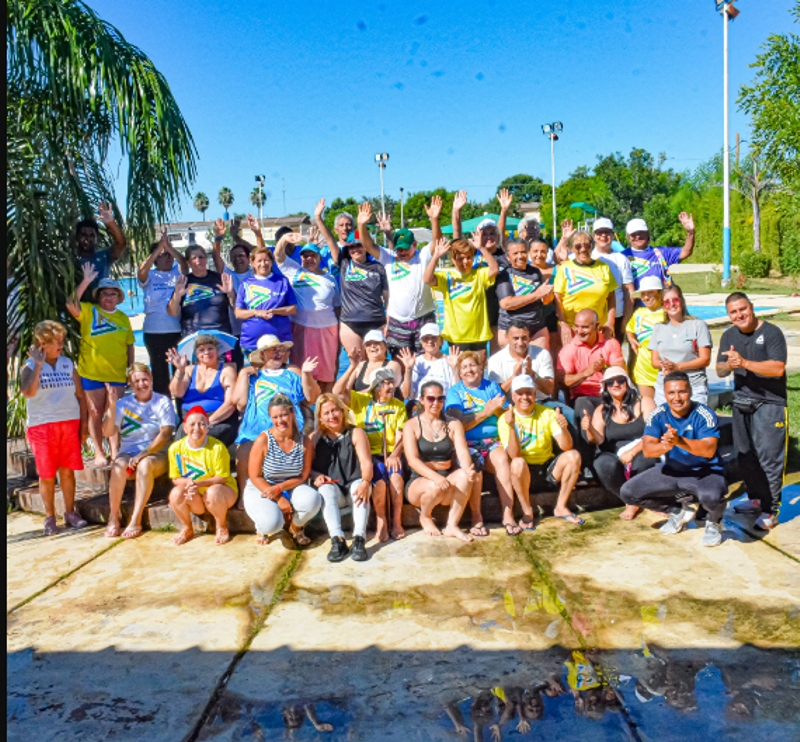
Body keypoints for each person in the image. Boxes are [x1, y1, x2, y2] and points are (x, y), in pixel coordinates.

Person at [621, 371, 728, 547]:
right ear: (665, 394)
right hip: (672, 471)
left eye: (682, 392)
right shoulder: (658, 414)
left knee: (711, 496)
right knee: (628, 492)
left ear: (690, 392)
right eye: (671, 393)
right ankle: (677, 511)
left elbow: (709, 450)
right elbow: (648, 450)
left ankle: (715, 521)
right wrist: (666, 445)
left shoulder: (704, 414)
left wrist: (679, 441)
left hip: (704, 472)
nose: (676, 398)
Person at [716, 292, 788, 530]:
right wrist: (729, 364)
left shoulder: (772, 333)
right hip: (741, 403)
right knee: (746, 456)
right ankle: (756, 499)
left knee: (769, 457)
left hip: (770, 404)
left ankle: (771, 509)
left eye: (742, 309)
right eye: (733, 312)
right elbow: (719, 370)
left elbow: (777, 368)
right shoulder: (729, 335)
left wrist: (744, 363)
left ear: (752, 307)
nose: (739, 315)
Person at [19, 320, 89, 536]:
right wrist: (38, 364)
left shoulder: (68, 364)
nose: (61, 345)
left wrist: (84, 425)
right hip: (42, 426)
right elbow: (28, 392)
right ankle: (50, 517)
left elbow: (80, 396)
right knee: (47, 474)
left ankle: (70, 512)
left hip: (69, 423)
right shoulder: (28, 366)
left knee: (67, 471)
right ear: (43, 343)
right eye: (56, 341)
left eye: (62, 341)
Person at [66, 263, 134, 466]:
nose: (108, 297)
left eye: (113, 294)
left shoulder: (123, 318)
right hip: (92, 373)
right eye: (105, 294)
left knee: (114, 414)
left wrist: (130, 369)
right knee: (95, 413)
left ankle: (115, 450)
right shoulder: (89, 311)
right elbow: (70, 303)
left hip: (116, 374)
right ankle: (98, 451)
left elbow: (129, 345)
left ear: (118, 297)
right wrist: (86, 280)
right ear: (98, 296)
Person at [234, 334, 320, 490]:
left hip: (287, 427)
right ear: (262, 354)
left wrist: (306, 374)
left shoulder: (291, 374)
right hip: (256, 428)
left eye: (281, 350)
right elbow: (240, 404)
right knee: (245, 447)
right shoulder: (254, 376)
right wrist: (243, 374)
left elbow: (312, 398)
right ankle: (244, 492)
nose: (278, 353)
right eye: (273, 350)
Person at [445, 351, 516, 537]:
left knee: (502, 459)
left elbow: (506, 413)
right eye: (465, 367)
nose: (469, 370)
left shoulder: (492, 387)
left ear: (481, 368)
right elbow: (459, 422)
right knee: (474, 466)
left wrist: (500, 411)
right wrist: (486, 412)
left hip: (492, 440)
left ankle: (508, 514)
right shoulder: (455, 393)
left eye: (472, 365)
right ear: (459, 372)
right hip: (467, 443)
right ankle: (476, 517)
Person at [498, 375, 583, 525]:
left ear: (535, 394)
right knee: (517, 463)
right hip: (524, 471)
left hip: (547, 467)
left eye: (529, 392)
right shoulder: (505, 419)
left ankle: (561, 506)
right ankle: (527, 511)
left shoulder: (547, 413)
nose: (525, 397)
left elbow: (566, 447)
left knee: (573, 456)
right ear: (513, 396)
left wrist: (564, 429)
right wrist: (511, 427)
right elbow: (514, 455)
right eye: (520, 393)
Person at [335, 366, 407, 542]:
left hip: (390, 452)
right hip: (368, 453)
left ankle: (396, 521)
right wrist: (353, 366)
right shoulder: (361, 400)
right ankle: (381, 521)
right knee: (380, 484)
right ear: (376, 386)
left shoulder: (398, 406)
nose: (391, 387)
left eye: (392, 383)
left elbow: (401, 436)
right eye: (386, 383)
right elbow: (337, 392)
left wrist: (395, 454)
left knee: (396, 479)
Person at [103, 364, 175, 539]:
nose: (141, 384)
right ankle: (114, 516)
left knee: (145, 465)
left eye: (145, 379)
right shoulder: (123, 404)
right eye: (136, 381)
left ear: (151, 379)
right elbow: (107, 432)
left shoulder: (161, 401)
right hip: (129, 454)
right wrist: (111, 407)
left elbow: (165, 433)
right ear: (130, 384)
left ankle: (135, 519)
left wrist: (144, 453)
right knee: (119, 465)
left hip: (156, 453)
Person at [357, 201, 437, 355]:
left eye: (406, 248)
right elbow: (368, 246)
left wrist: (434, 219)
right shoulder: (389, 258)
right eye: (399, 248)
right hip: (397, 322)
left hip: (423, 319)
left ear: (415, 244)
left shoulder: (423, 256)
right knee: (399, 363)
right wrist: (362, 225)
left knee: (427, 360)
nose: (402, 252)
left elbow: (437, 242)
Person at [403, 380, 478, 541]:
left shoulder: (453, 424)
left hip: (445, 479)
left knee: (465, 476)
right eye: (431, 399)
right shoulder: (411, 425)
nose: (436, 403)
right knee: (433, 485)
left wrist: (467, 470)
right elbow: (412, 460)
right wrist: (435, 477)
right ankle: (425, 516)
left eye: (440, 398)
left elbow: (462, 452)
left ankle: (452, 525)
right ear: (422, 400)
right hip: (420, 482)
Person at [242, 395, 322, 546]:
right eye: (275, 417)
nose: (280, 421)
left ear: (292, 414)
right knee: (271, 524)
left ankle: (296, 526)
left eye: (284, 415)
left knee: (313, 499)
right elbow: (254, 476)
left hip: (291, 486)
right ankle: (262, 527)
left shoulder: (305, 441)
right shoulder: (263, 440)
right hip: (263, 487)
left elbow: (303, 475)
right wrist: (279, 498)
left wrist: (280, 488)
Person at [314, 198, 389, 355]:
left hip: (374, 319)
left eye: (359, 245)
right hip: (349, 319)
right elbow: (329, 239)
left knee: (375, 363)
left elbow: (387, 297)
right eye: (352, 247)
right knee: (355, 364)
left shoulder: (377, 266)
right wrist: (318, 218)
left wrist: (388, 321)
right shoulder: (344, 262)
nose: (355, 249)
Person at [582, 367, 657, 520]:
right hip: (616, 456)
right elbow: (598, 440)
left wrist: (632, 452)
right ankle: (629, 500)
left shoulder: (645, 402)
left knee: (645, 459)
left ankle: (646, 499)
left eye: (620, 380)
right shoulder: (601, 410)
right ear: (605, 387)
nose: (615, 384)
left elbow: (654, 432)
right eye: (610, 382)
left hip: (642, 449)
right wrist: (588, 428)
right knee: (602, 463)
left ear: (628, 382)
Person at [311, 394, 373, 562]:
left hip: (355, 484)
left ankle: (359, 538)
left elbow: (366, 463)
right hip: (334, 490)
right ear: (320, 418)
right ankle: (337, 539)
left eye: (335, 410)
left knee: (360, 486)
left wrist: (367, 482)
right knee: (325, 489)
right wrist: (316, 476)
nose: (332, 416)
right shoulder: (315, 438)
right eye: (326, 413)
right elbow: (307, 469)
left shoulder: (355, 433)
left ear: (342, 410)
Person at [274, 235, 341, 393]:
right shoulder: (294, 271)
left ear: (319, 258)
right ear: (301, 258)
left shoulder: (330, 278)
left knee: (327, 376)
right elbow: (278, 255)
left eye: (313, 256)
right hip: (301, 330)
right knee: (301, 375)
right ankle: (306, 413)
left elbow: (337, 306)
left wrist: (339, 334)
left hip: (328, 330)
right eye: (305, 256)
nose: (309, 259)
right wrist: (284, 239)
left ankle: (325, 408)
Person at [168, 406, 238, 546]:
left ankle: (221, 526)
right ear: (185, 427)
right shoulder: (175, 448)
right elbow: (176, 478)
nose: (196, 428)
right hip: (195, 494)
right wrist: (189, 485)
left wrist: (197, 484)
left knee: (213, 492)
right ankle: (187, 528)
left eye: (201, 424)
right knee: (175, 494)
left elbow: (222, 478)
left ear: (208, 427)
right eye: (192, 424)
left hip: (221, 491)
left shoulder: (217, 447)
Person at [424, 236, 499, 364]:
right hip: (456, 336)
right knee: (460, 373)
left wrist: (481, 248)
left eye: (468, 257)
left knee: (478, 371)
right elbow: (427, 279)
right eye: (460, 259)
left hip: (479, 335)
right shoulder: (447, 277)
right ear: (453, 260)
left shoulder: (479, 274)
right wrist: (436, 256)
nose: (465, 262)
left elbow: (494, 269)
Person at [138, 230, 188, 395]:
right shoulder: (150, 275)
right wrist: (158, 248)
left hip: (176, 330)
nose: (167, 257)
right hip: (154, 331)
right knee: (160, 374)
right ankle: (164, 414)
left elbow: (184, 263)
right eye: (162, 255)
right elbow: (142, 271)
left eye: (169, 255)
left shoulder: (177, 272)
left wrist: (168, 247)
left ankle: (181, 414)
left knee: (180, 373)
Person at [167, 334, 239, 447]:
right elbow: (176, 392)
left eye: (210, 348)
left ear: (217, 350)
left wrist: (206, 422)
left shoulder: (226, 370)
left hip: (217, 419)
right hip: (190, 418)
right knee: (181, 443)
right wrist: (180, 371)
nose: (206, 352)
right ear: (196, 353)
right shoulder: (189, 370)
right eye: (201, 350)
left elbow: (231, 404)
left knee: (199, 437)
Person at [557, 308, 625, 427]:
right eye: (576, 326)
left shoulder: (610, 343)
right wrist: (586, 373)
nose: (579, 331)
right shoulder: (569, 349)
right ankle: (591, 443)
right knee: (584, 407)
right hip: (582, 397)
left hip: (609, 395)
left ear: (597, 326)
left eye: (585, 327)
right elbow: (563, 381)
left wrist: (604, 369)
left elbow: (622, 374)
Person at [650, 284, 712, 405]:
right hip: (665, 387)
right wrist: (666, 366)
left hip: (693, 386)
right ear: (663, 306)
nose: (672, 304)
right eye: (667, 302)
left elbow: (705, 359)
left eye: (675, 300)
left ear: (682, 301)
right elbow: (654, 361)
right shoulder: (658, 328)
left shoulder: (698, 325)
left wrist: (678, 367)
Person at [553, 232, 618, 347]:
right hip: (572, 327)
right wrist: (563, 324)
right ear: (572, 249)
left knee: (599, 361)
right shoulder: (565, 268)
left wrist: (610, 322)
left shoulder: (604, 267)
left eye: (587, 245)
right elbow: (557, 298)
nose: (583, 249)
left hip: (598, 327)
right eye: (578, 246)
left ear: (592, 246)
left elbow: (611, 298)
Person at [234, 245, 297, 355]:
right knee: (252, 372)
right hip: (252, 343)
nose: (263, 264)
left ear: (272, 262)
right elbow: (238, 313)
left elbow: (293, 309)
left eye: (266, 260)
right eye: (259, 261)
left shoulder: (282, 281)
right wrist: (256, 312)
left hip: (279, 341)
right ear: (253, 263)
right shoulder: (246, 283)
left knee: (278, 371)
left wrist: (274, 311)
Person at [167, 244, 235, 338]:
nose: (198, 261)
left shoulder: (220, 279)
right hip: (193, 337)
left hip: (221, 335)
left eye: (201, 257)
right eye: (194, 258)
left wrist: (230, 293)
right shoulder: (183, 282)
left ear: (206, 259)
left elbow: (235, 308)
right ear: (188, 262)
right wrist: (177, 296)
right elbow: (172, 313)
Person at [495, 238, 552, 349]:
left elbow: (544, 301)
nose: (520, 256)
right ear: (508, 257)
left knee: (539, 363)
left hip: (536, 328)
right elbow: (506, 304)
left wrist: (547, 295)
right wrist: (536, 295)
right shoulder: (504, 275)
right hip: (510, 329)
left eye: (523, 252)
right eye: (515, 253)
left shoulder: (535, 272)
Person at [621, 214, 696, 291]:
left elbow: (686, 252)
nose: (638, 236)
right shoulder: (621, 257)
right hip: (634, 302)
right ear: (628, 237)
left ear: (648, 233)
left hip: (660, 301)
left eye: (641, 232)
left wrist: (690, 232)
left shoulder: (661, 253)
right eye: (633, 234)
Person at [486, 320, 555, 401]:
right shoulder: (495, 360)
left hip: (539, 402)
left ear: (529, 336)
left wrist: (533, 375)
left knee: (569, 413)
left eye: (524, 338)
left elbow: (549, 390)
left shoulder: (543, 354)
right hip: (510, 405)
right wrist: (514, 377)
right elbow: (495, 396)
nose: (520, 343)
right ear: (506, 337)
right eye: (516, 338)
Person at [591, 218, 634, 342]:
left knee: (613, 356)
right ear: (594, 236)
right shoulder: (588, 257)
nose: (603, 236)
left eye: (607, 232)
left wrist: (626, 319)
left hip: (616, 316)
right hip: (594, 317)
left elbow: (628, 290)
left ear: (613, 235)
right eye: (600, 232)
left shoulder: (621, 259)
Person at [73, 202, 127, 301]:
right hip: (78, 310)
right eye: (83, 234)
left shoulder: (104, 256)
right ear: (77, 237)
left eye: (92, 235)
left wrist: (111, 223)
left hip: (102, 308)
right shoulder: (71, 260)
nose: (87, 239)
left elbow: (121, 244)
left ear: (97, 239)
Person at [626, 276, 665, 398]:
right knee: (647, 404)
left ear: (660, 293)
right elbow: (629, 329)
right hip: (643, 368)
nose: (646, 297)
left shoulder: (667, 313)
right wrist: (631, 339)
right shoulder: (639, 313)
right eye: (643, 294)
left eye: (650, 293)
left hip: (663, 368)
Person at [398, 323, 458, 402]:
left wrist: (455, 369)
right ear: (421, 343)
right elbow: (405, 395)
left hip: (441, 404)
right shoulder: (416, 362)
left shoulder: (449, 361)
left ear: (441, 341)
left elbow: (457, 393)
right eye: (426, 338)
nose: (430, 341)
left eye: (434, 338)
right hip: (420, 405)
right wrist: (408, 369)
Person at [336, 329, 403, 398]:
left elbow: (381, 391)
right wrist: (352, 366)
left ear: (385, 346)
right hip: (362, 405)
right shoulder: (360, 366)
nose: (373, 346)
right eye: (368, 344)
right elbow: (338, 392)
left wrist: (357, 397)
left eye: (377, 343)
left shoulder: (393, 365)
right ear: (365, 348)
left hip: (382, 405)